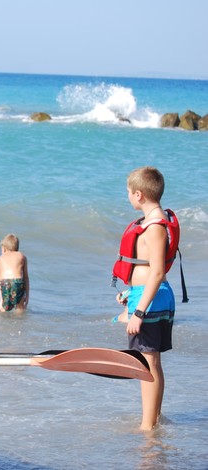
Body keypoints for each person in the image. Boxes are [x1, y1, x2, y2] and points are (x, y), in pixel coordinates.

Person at [111, 166, 177, 431]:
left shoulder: (155, 227)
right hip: (147, 296)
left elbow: (158, 271)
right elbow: (149, 270)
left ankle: (148, 426)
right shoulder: (153, 223)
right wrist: (131, 294)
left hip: (151, 301)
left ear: (138, 194)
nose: (127, 196)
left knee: (147, 364)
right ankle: (154, 418)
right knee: (151, 362)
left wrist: (138, 312)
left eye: (128, 192)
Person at [0, 233, 29, 313]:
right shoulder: (21, 256)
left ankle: (2, 324)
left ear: (4, 248)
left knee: (4, 309)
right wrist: (27, 296)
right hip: (18, 283)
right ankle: (20, 323)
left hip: (5, 283)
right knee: (20, 308)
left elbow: (0, 281)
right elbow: (26, 278)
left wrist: (1, 301)